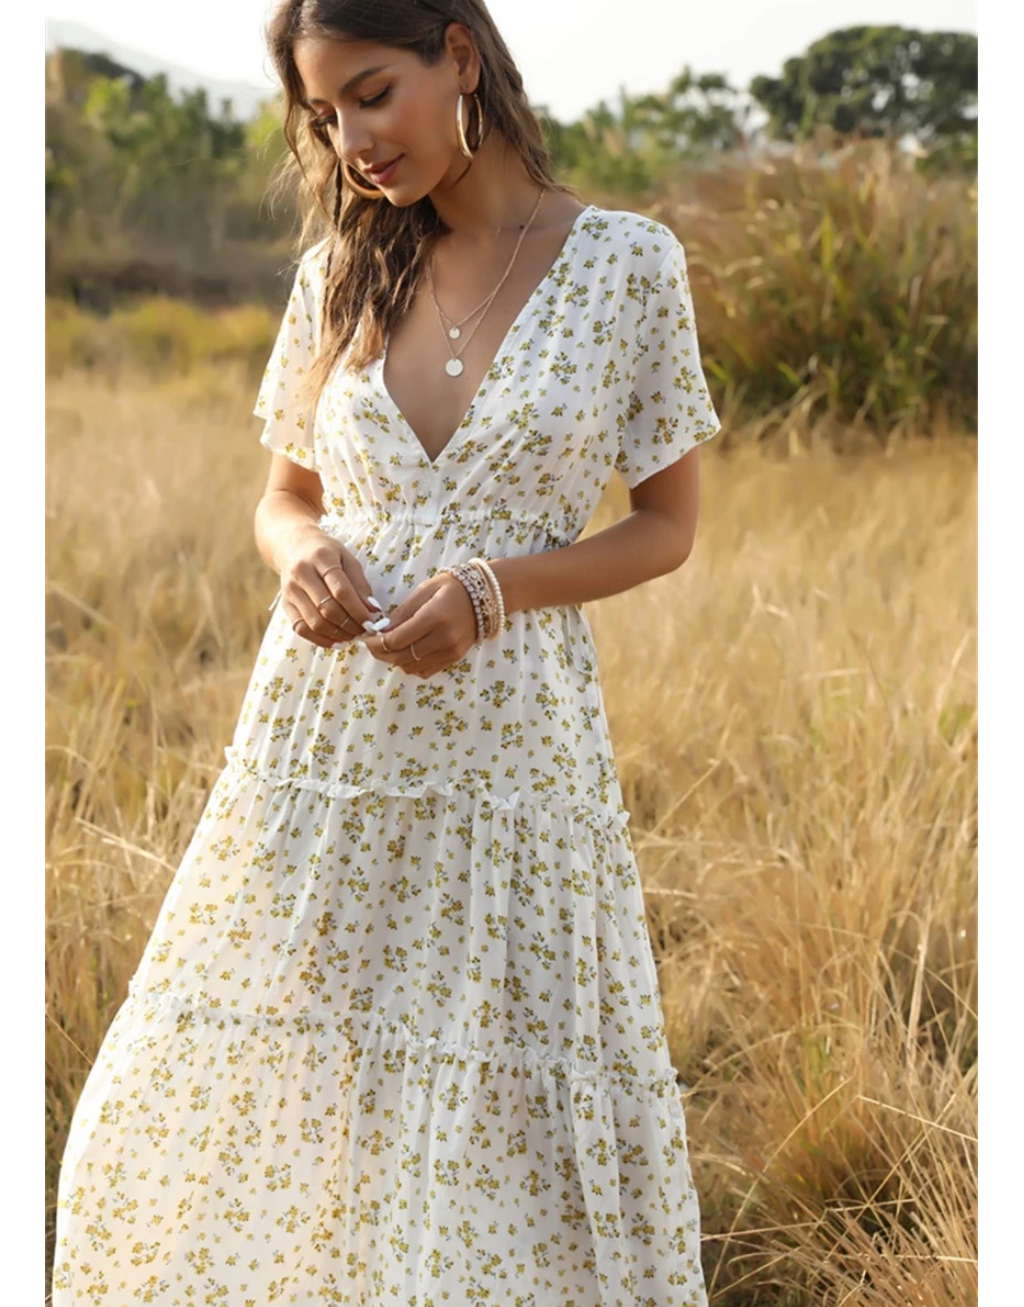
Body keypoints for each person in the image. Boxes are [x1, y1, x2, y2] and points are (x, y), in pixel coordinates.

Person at [52, 2, 721, 1303]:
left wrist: (494, 585)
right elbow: (282, 496)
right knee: (288, 1071)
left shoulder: (628, 267)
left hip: (509, 765)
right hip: (320, 755)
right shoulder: (339, 274)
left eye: (372, 93)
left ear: (458, 57)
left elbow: (668, 527)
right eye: (325, 116)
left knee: (500, 1103)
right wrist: (298, 551)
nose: (353, 139)